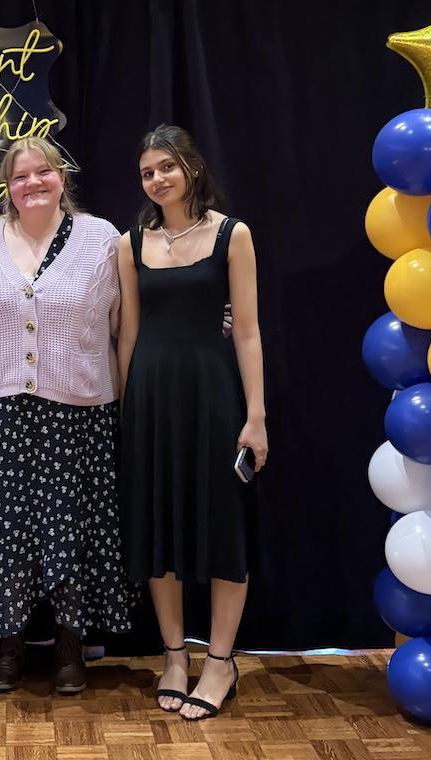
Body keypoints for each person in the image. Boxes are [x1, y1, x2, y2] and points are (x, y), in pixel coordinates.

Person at [0, 136, 136, 694]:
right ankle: (8, 645)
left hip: (79, 412)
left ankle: (69, 648)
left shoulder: (102, 238)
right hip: (0, 413)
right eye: (20, 175)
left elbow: (124, 326)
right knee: (6, 531)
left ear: (63, 178)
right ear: (5, 186)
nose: (33, 183)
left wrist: (123, 398)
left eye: (44, 172)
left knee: (73, 531)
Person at [117, 124, 268, 721]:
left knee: (223, 527)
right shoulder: (130, 242)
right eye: (147, 172)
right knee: (159, 531)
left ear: (193, 169)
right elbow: (128, 333)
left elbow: (250, 331)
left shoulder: (233, 235)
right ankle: (175, 656)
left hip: (213, 397)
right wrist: (125, 409)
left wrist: (256, 417)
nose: (157, 179)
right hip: (151, 400)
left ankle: (221, 661)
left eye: (166, 167)